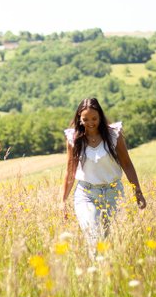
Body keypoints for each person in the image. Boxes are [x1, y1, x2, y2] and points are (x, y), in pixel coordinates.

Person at [62, 98, 146, 252]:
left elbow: (127, 164)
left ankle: (105, 272)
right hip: (86, 194)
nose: (90, 123)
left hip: (113, 193)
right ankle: (95, 272)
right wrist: (63, 201)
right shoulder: (74, 139)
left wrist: (137, 192)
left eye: (94, 118)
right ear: (79, 119)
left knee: (108, 240)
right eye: (85, 119)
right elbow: (70, 171)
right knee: (93, 237)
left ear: (100, 117)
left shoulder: (114, 135)